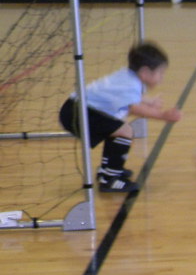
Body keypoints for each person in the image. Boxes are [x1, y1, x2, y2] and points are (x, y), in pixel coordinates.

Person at [58, 41, 182, 193]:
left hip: (75, 109)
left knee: (118, 130)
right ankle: (110, 180)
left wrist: (149, 101)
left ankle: (108, 170)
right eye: (160, 73)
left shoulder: (127, 76)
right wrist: (163, 115)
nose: (162, 78)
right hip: (77, 114)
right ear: (145, 72)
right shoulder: (130, 84)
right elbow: (134, 108)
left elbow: (130, 98)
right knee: (125, 131)